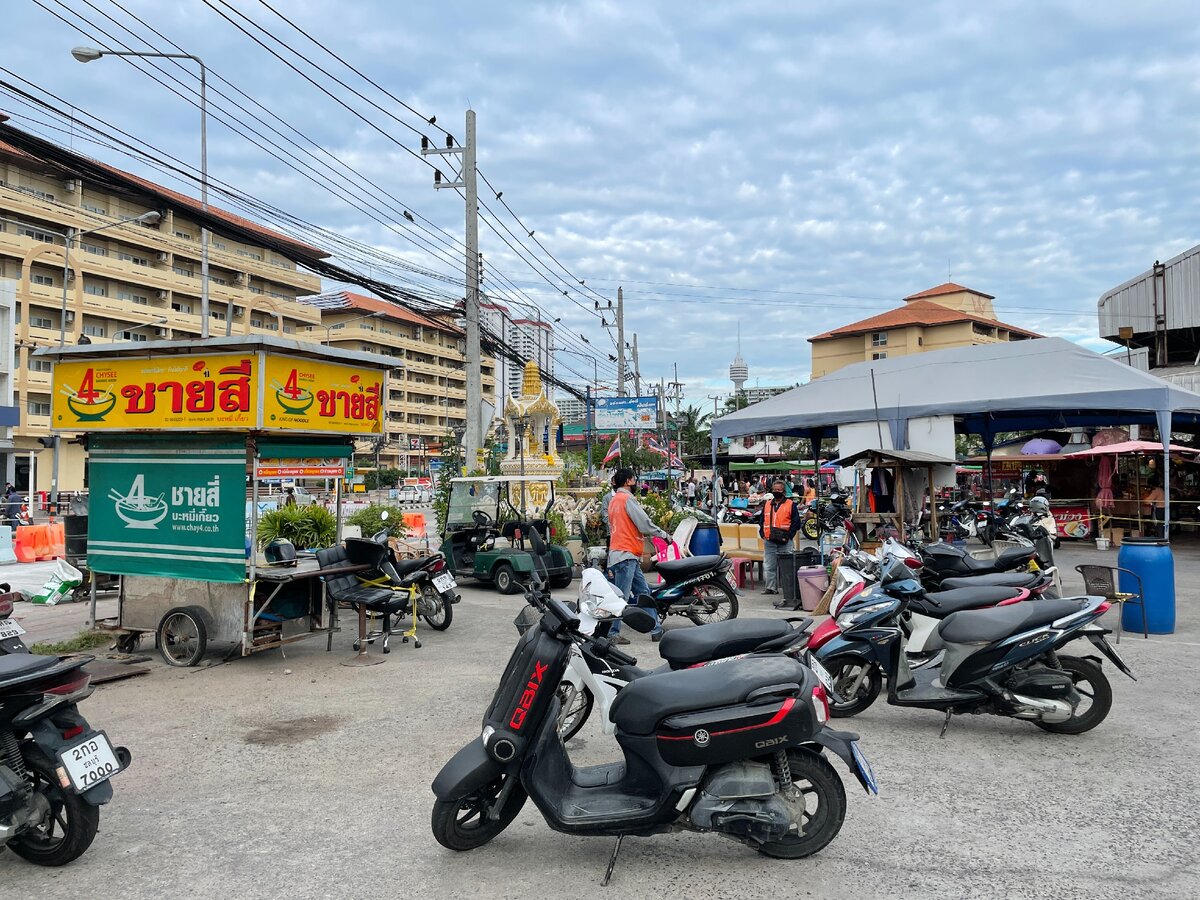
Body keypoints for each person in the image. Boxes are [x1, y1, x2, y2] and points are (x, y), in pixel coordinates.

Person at [606, 467, 671, 642]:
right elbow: (644, 524)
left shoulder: (614, 501)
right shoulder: (627, 499)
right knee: (622, 597)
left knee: (643, 593)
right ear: (628, 481)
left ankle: (656, 629)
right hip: (625, 554)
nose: (636, 483)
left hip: (624, 554)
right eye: (634, 479)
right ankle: (613, 633)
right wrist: (664, 535)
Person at [760, 479, 801, 598]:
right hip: (769, 541)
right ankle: (771, 588)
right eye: (775, 489)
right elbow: (762, 520)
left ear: (783, 491)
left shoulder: (790, 504)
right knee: (769, 566)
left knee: (787, 566)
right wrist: (762, 533)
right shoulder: (767, 504)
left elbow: (796, 523)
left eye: (779, 490)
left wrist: (789, 536)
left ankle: (788, 588)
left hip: (785, 541)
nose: (777, 491)